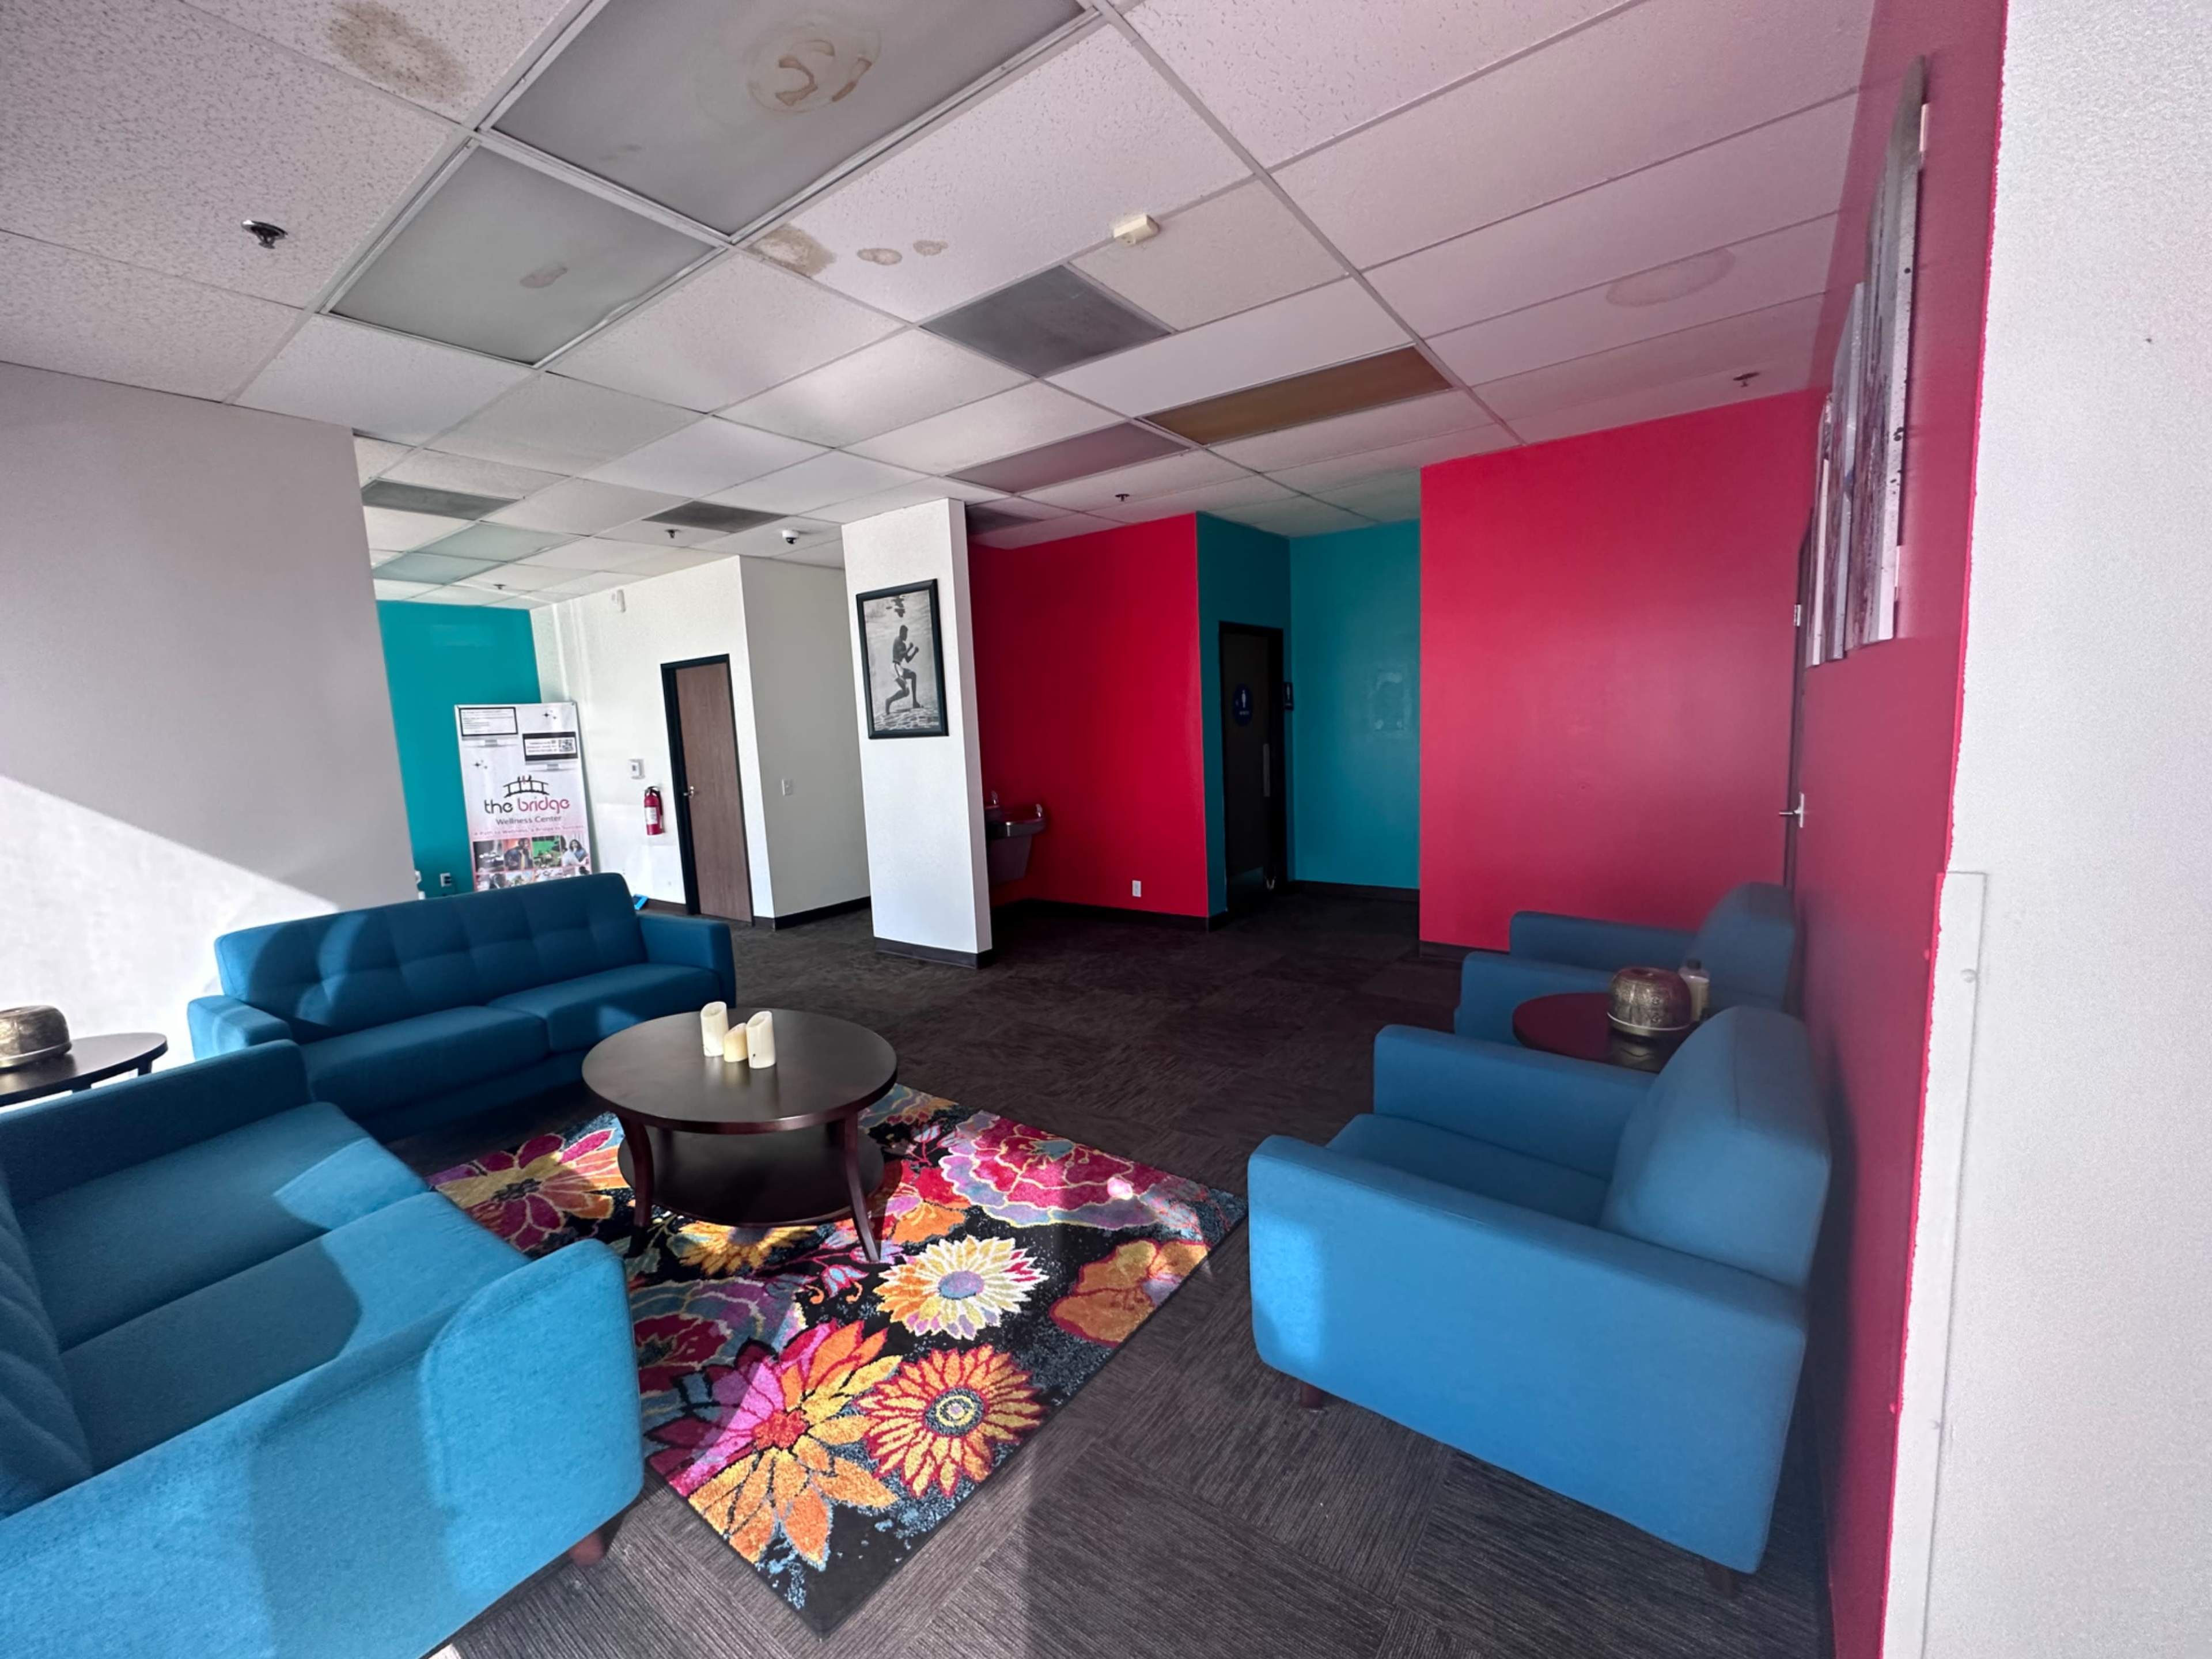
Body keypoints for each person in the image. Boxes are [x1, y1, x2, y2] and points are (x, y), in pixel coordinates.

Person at [885, 623, 921, 719]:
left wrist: (914, 652)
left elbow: (907, 659)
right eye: (905, 634)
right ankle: (889, 700)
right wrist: (909, 648)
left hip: (899, 667)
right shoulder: (897, 640)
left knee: (913, 675)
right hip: (895, 667)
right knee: (906, 691)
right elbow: (901, 655)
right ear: (901, 633)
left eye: (907, 634)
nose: (906, 636)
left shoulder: (904, 645)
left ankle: (915, 702)